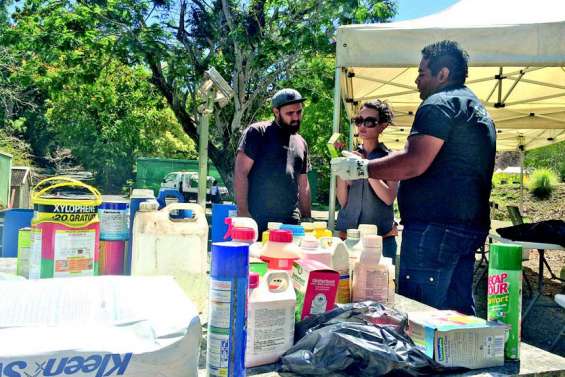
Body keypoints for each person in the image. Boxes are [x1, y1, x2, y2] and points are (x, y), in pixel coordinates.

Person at [331, 40, 496, 315]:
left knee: (420, 317)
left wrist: (363, 169)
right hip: (466, 227)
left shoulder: (438, 105)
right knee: (457, 318)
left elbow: (413, 162)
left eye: (422, 72)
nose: (416, 80)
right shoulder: (477, 110)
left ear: (442, 74)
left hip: (435, 231)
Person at [234, 88, 312, 236]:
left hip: (291, 222)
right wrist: (243, 212)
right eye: (290, 113)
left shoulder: (302, 143)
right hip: (258, 218)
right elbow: (240, 172)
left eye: (299, 112)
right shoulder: (257, 133)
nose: (296, 117)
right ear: (276, 112)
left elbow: (304, 183)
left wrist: (307, 217)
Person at [335, 100, 398, 262]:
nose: (362, 126)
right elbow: (343, 201)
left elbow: (388, 197)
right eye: (359, 121)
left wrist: (365, 167)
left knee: (380, 286)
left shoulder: (391, 158)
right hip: (347, 238)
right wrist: (341, 169)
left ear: (382, 126)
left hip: (381, 241)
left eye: (369, 121)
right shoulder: (351, 156)